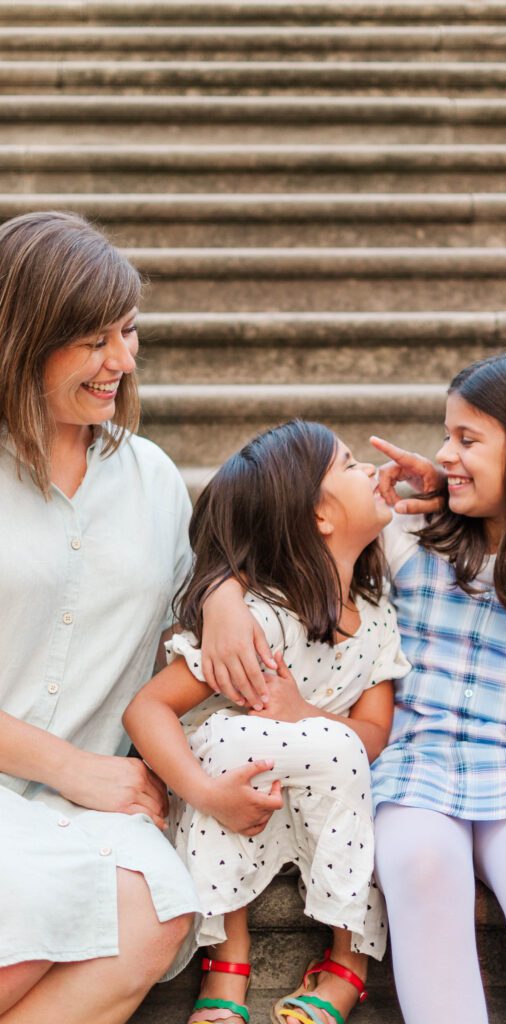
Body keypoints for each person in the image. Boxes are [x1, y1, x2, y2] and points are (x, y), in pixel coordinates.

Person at [199, 350, 506, 1024]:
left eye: (466, 439)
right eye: (447, 434)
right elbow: (264, 532)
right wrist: (220, 594)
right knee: (419, 864)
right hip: (410, 763)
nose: (443, 453)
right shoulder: (409, 535)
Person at [0, 211, 281, 1024]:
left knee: (155, 912)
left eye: (127, 332)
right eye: (93, 339)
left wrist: (223, 589)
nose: (121, 361)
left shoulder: (151, 476)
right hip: (63, 782)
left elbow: (189, 597)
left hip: (95, 804)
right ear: (25, 336)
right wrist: (69, 766)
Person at [124, 420, 410, 1024]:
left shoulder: (380, 621)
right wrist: (203, 792)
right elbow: (145, 709)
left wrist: (306, 715)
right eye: (351, 463)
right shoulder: (258, 621)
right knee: (229, 734)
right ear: (320, 517)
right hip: (235, 806)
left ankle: (347, 961)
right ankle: (226, 961)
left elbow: (376, 735)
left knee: (346, 749)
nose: (367, 471)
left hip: (334, 807)